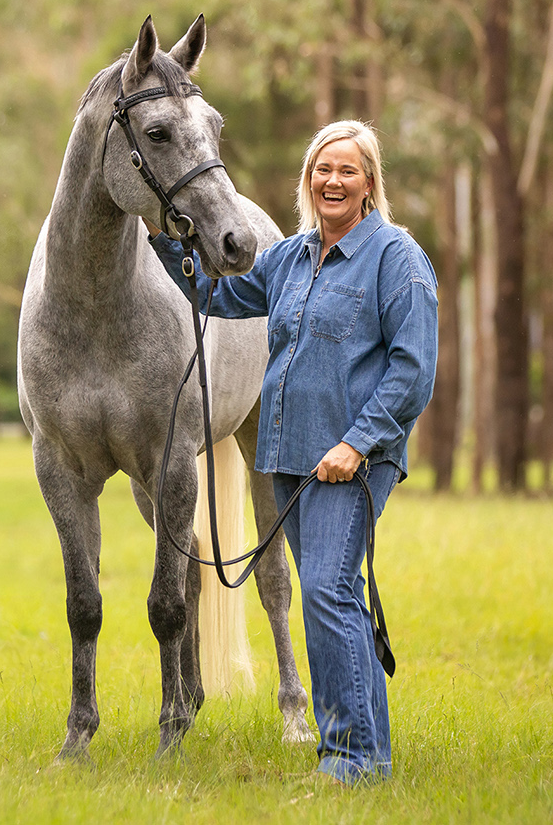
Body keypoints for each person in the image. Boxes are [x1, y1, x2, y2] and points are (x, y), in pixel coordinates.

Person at [147, 119, 438, 785]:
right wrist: (162, 238)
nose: (332, 181)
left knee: (329, 597)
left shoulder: (395, 256)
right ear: (309, 180)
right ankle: (366, 754)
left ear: (369, 184)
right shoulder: (290, 257)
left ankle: (351, 760)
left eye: (347, 170)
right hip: (289, 459)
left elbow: (412, 369)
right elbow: (213, 293)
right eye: (321, 170)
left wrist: (357, 443)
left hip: (347, 462)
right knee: (334, 599)